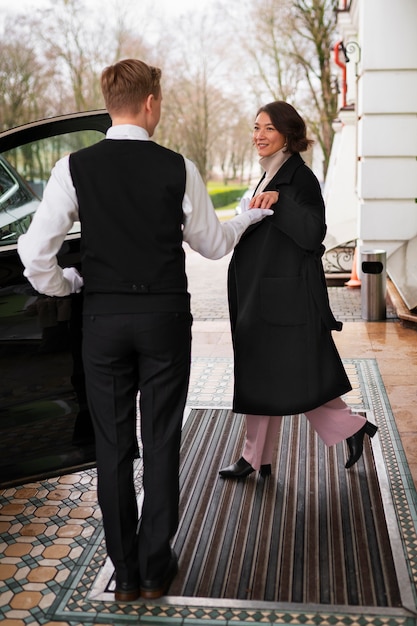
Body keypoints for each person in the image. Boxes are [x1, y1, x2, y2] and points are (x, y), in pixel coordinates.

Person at [17, 59, 274, 601]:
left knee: (112, 446)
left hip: (103, 321)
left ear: (111, 103)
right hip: (163, 321)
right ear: (151, 102)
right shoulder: (177, 166)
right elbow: (212, 244)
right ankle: (157, 565)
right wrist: (248, 215)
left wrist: (68, 284)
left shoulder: (73, 166)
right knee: (161, 441)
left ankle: (126, 572)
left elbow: (33, 253)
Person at [219, 101, 378, 480]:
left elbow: (313, 235)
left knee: (285, 376)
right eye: (256, 128)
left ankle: (345, 429)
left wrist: (282, 200)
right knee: (271, 374)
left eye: (268, 129)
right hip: (266, 293)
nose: (258, 135)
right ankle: (257, 456)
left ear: (288, 134)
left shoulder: (298, 178)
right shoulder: (269, 173)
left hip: (282, 297)